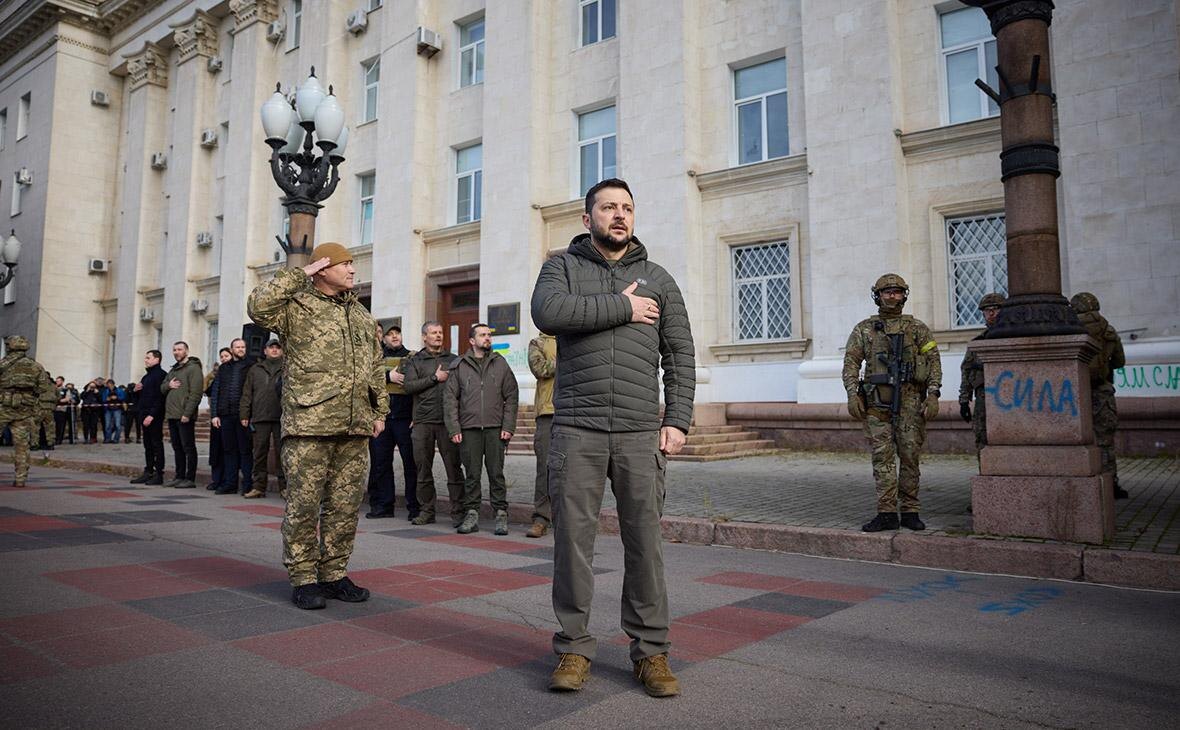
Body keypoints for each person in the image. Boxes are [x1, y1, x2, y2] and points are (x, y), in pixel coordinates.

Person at [531, 178, 696, 698]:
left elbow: (681, 353)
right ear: (588, 218)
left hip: (639, 430)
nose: (619, 216)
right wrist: (621, 308)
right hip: (576, 428)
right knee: (572, 546)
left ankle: (651, 652)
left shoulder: (659, 279)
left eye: (627, 208)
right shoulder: (561, 267)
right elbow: (548, 314)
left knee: (645, 544)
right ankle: (574, 648)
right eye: (608, 208)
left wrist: (679, 419)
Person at [247, 241, 388, 611]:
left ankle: (334, 574)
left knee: (345, 507)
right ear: (323, 268)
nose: (353, 270)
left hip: (355, 425)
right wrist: (298, 275)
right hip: (309, 423)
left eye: (353, 264)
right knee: (304, 506)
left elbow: (375, 366)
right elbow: (257, 306)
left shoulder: (360, 314)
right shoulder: (296, 307)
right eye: (345, 264)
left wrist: (379, 411)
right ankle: (304, 578)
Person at [842, 273, 943, 533]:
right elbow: (851, 362)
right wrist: (852, 394)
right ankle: (887, 512)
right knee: (882, 457)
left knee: (910, 456)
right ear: (877, 295)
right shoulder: (864, 329)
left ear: (904, 295)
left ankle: (910, 511)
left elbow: (933, 362)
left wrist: (933, 394)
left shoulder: (917, 328)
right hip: (877, 402)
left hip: (911, 402)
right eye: (887, 292)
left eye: (897, 292)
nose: (892, 296)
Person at [444, 323, 519, 535]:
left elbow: (511, 396)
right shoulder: (459, 366)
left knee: (496, 473)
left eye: (489, 335)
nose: (487, 338)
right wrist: (454, 428)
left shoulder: (501, 364)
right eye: (482, 335)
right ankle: (472, 514)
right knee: (472, 475)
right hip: (469, 429)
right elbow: (450, 400)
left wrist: (508, 426)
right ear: (471, 341)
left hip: (496, 428)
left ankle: (501, 514)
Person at [404, 321, 465, 527]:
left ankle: (458, 512)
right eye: (433, 333)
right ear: (424, 337)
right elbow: (408, 386)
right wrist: (434, 378)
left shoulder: (454, 360)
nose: (438, 336)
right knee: (422, 470)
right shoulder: (415, 361)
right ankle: (427, 511)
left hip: (448, 422)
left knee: (454, 469)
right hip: (422, 421)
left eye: (440, 332)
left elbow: (462, 390)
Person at [1071, 292, 1128, 500]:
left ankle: (1082, 482)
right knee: (1104, 441)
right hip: (1102, 393)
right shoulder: (1108, 331)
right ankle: (1110, 483)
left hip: (1076, 393)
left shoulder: (1071, 331)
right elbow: (1120, 362)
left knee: (1077, 440)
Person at [367, 325, 419, 519]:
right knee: (381, 464)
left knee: (411, 465)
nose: (394, 336)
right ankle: (383, 505)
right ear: (383, 338)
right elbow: (365, 380)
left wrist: (417, 415)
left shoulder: (413, 357)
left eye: (397, 333)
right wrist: (389, 376)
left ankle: (414, 508)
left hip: (405, 419)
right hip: (382, 418)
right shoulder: (375, 358)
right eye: (389, 334)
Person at [0, 336, 52, 487]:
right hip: (24, 409)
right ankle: (20, 479)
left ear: (10, 347)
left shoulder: (3, 364)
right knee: (22, 446)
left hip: (3, 406)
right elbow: (43, 387)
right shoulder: (35, 366)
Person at [959, 293, 1004, 458]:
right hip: (983, 396)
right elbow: (966, 371)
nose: (991, 314)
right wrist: (964, 401)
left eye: (996, 309)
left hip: (1010, 397)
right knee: (982, 436)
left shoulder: (1014, 337)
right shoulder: (978, 343)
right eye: (987, 310)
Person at [241, 338, 285, 499]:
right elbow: (247, 393)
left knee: (283, 454)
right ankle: (258, 487)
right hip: (260, 416)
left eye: (277, 348)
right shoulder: (255, 369)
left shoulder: (287, 367)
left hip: (282, 417)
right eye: (271, 347)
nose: (274, 350)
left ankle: (284, 487)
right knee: (259, 453)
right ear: (265, 351)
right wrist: (244, 414)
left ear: (282, 351)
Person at [211, 338, 254, 496]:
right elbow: (216, 391)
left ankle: (248, 484)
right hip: (225, 415)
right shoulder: (223, 368)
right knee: (229, 450)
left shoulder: (251, 366)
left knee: (245, 451)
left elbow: (252, 392)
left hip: (242, 415)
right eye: (238, 347)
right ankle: (230, 484)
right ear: (232, 349)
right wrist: (214, 414)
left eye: (243, 346)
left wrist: (249, 414)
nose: (241, 349)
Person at [527, 332, 557, 538]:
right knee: (544, 469)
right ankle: (541, 519)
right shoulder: (537, 342)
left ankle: (569, 518)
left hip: (575, 411)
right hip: (548, 412)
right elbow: (540, 369)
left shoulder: (575, 336)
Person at [162, 341, 203, 488]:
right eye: (174, 350)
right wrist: (169, 385)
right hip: (172, 415)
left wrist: (187, 413)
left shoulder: (194, 369)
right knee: (177, 447)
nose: (176, 352)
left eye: (179, 349)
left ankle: (190, 478)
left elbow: (196, 393)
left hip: (184, 415)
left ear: (186, 351)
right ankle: (179, 476)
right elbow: (162, 387)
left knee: (188, 447)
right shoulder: (173, 370)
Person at [131, 350, 167, 485]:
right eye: (145, 358)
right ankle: (148, 471)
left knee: (156, 444)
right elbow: (140, 397)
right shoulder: (146, 377)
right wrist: (135, 391)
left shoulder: (161, 375)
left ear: (157, 359)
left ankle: (159, 474)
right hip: (143, 413)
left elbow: (160, 398)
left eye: (148, 358)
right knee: (148, 445)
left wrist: (152, 415)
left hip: (154, 416)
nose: (145, 360)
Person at [206, 348, 231, 490]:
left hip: (228, 414)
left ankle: (226, 479)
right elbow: (210, 391)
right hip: (217, 415)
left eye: (226, 356)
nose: (224, 358)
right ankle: (216, 479)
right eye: (221, 356)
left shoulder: (233, 372)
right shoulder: (218, 374)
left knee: (227, 449)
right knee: (215, 450)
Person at [101, 379, 125, 444]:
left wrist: (117, 397)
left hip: (117, 409)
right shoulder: (106, 391)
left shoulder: (119, 390)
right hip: (108, 409)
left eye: (110, 385)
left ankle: (116, 439)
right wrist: (107, 399)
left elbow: (123, 397)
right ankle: (107, 439)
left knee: (118, 425)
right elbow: (103, 400)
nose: (109, 386)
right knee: (107, 425)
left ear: (113, 384)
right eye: (108, 385)